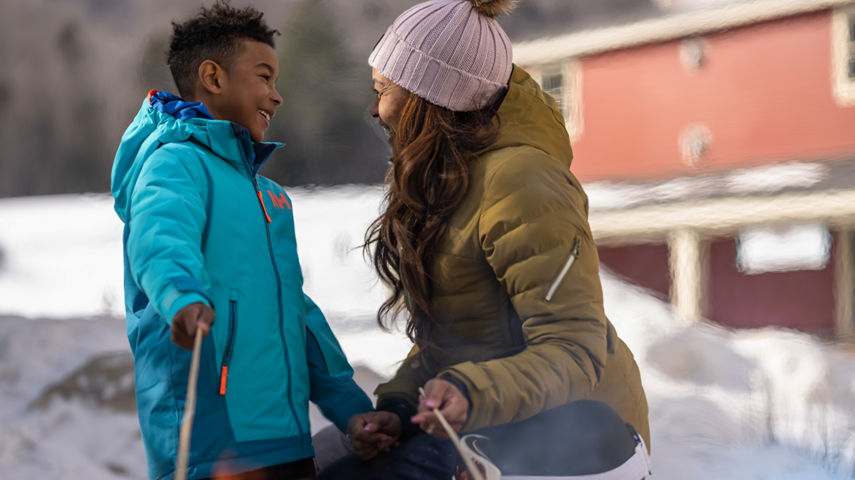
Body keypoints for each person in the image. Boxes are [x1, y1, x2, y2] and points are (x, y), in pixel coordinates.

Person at [317, 0, 650, 478]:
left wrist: (471, 391)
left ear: (430, 97)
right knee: (324, 458)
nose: (375, 109)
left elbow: (574, 347)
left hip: (576, 434)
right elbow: (463, 333)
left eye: (383, 91)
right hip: (488, 414)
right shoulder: (449, 179)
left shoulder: (521, 181)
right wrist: (398, 403)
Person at [110, 3, 372, 479]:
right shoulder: (175, 165)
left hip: (283, 439)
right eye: (265, 77)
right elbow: (159, 240)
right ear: (213, 77)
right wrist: (182, 297)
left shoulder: (267, 195)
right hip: (211, 444)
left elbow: (292, 310)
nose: (277, 96)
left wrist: (351, 407)